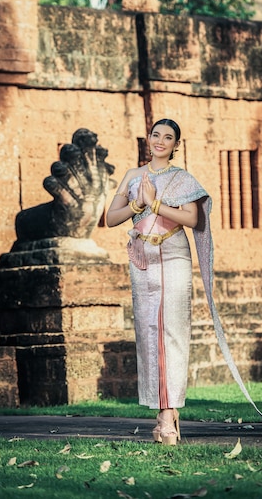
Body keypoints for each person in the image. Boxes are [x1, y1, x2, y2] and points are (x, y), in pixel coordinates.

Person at [106, 118, 213, 445]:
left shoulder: (182, 179)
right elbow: (110, 218)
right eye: (156, 135)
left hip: (174, 255)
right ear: (148, 139)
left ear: (176, 145)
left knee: (172, 331)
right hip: (143, 259)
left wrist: (156, 204)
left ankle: (167, 415)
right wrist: (137, 205)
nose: (161, 141)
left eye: (168, 138)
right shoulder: (132, 176)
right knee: (150, 332)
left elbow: (193, 219)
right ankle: (163, 406)